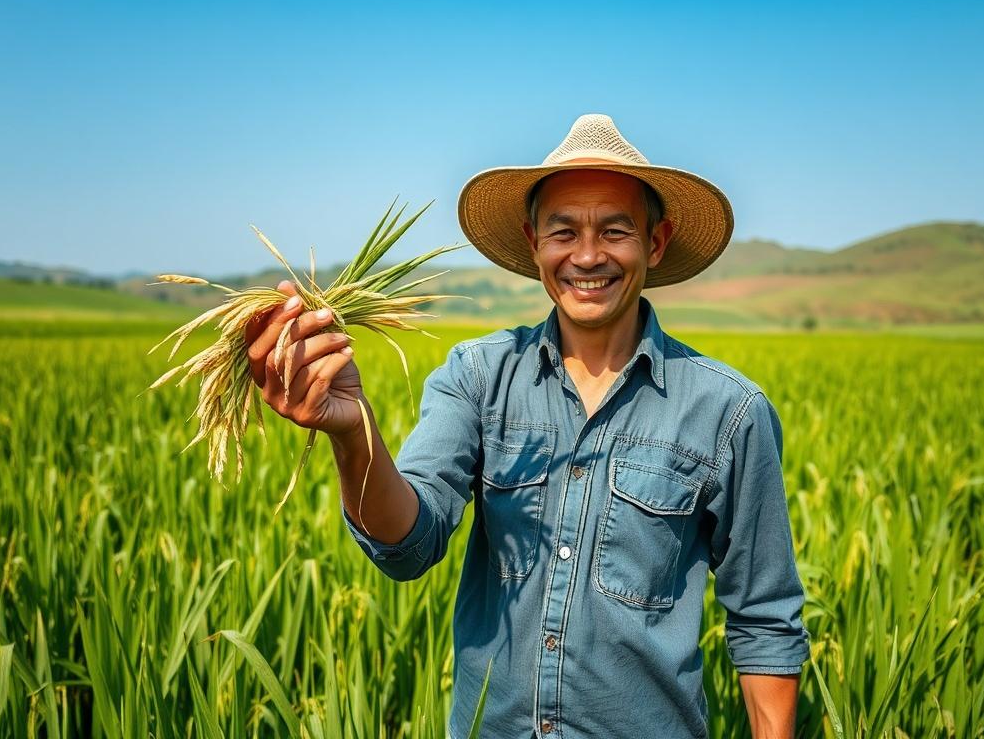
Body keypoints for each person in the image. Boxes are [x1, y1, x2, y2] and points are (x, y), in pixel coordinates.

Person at [244, 114, 810, 739]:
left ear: (655, 242)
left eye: (616, 230)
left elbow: (764, 620)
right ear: (534, 242)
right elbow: (410, 542)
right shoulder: (480, 377)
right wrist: (353, 434)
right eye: (563, 231)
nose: (588, 255)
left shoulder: (728, 412)